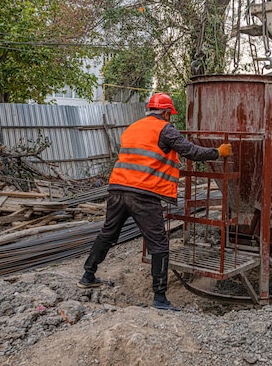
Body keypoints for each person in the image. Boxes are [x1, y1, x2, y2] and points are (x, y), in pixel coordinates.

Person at [77, 92, 232, 311]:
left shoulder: (132, 128)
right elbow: (191, 152)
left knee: (108, 233)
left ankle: (88, 275)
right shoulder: (165, 129)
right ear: (167, 112)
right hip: (143, 194)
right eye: (170, 114)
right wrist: (217, 152)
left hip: (117, 190)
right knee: (159, 244)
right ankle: (160, 299)